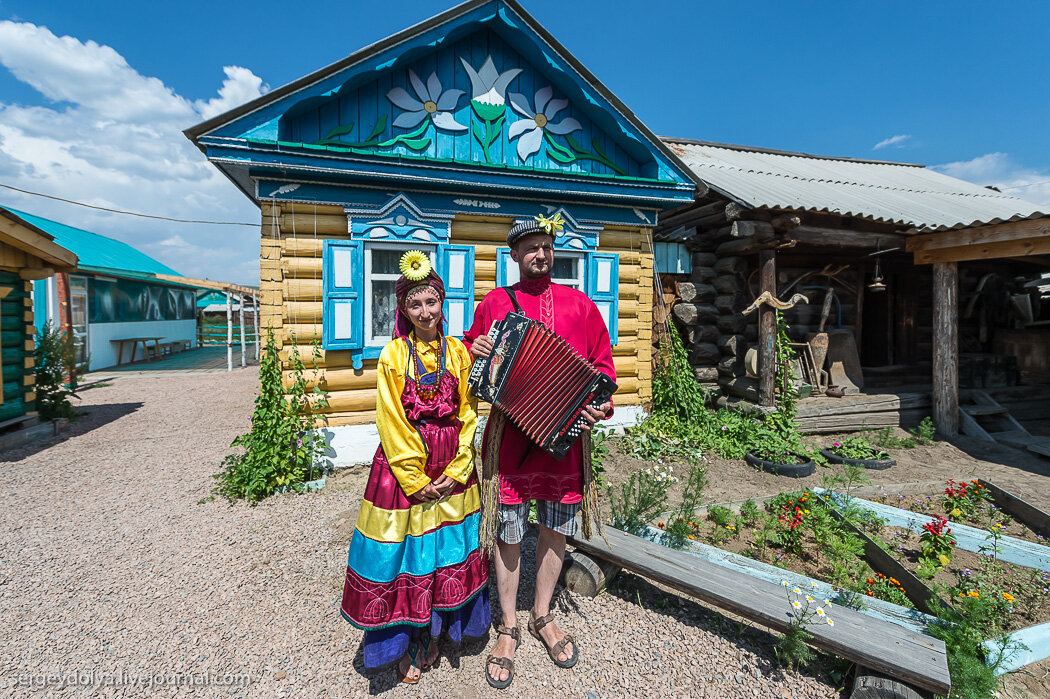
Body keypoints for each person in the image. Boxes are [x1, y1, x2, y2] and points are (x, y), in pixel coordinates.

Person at [463, 214, 615, 689]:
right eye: (530, 247)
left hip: (562, 443)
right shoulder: (495, 303)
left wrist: (598, 408)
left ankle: (542, 615)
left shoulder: (581, 306)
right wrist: (479, 351)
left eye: (547, 246)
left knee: (554, 530)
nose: (540, 254)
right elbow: (472, 352)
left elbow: (603, 373)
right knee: (507, 531)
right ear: (514, 255)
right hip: (509, 438)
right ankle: (508, 626)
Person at [340, 250, 490, 684]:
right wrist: (414, 477)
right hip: (407, 471)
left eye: (432, 302)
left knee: (448, 550)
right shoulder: (393, 356)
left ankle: (440, 630)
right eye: (415, 304)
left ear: (442, 302)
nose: (425, 312)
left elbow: (468, 412)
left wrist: (460, 467)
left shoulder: (459, 353)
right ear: (403, 308)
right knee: (404, 554)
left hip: (452, 471)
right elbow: (390, 418)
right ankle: (402, 642)